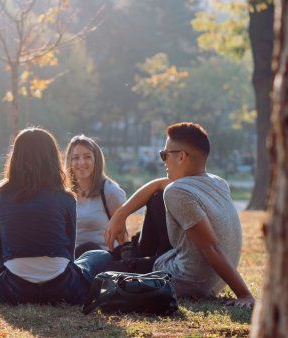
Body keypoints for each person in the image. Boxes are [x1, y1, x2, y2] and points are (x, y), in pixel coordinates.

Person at [105, 122, 255, 307]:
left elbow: (211, 247)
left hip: (188, 280)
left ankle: (131, 259)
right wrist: (121, 214)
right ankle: (133, 256)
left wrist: (244, 294)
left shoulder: (178, 192)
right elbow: (158, 185)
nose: (163, 160)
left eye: (165, 155)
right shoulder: (217, 182)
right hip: (214, 281)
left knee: (102, 270)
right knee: (157, 197)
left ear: (182, 156)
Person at [0, 127, 112, 305]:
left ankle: (8, 291)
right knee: (101, 256)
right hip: (63, 288)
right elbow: (69, 255)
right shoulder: (65, 196)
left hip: (15, 289)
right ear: (52, 158)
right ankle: (79, 288)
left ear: (16, 157)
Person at [63, 135, 126, 257]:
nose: (81, 162)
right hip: (72, 259)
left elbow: (123, 236)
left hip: (103, 259)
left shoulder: (110, 191)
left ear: (96, 160)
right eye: (76, 158)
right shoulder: (65, 194)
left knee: (90, 248)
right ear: (70, 161)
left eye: (87, 157)